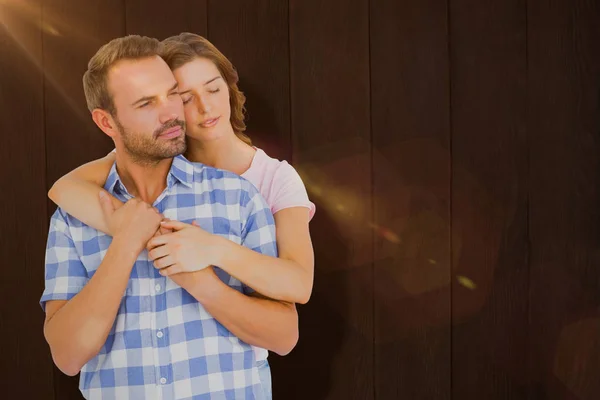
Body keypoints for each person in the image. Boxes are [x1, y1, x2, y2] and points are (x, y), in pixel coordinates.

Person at [48, 33, 316, 398]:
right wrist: (125, 236)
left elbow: (293, 308)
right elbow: (66, 357)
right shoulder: (76, 214)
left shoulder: (248, 193)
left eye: (172, 95)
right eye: (149, 102)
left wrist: (206, 268)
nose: (176, 111)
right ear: (107, 123)